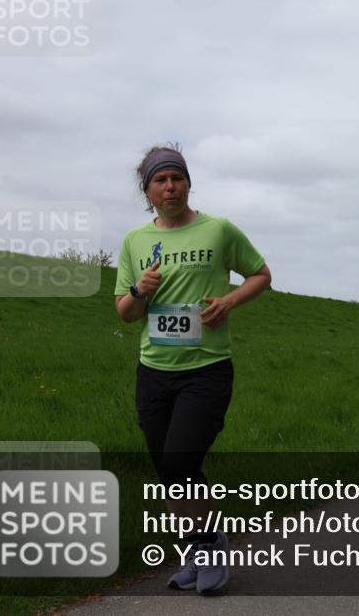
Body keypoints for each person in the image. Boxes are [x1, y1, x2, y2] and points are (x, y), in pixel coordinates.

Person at [115, 144, 272, 595]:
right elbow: (125, 314)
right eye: (160, 181)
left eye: (176, 178)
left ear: (188, 183)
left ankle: (210, 548)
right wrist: (139, 290)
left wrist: (228, 301)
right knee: (169, 472)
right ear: (148, 191)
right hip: (154, 370)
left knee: (181, 461)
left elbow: (261, 274)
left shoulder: (218, 229)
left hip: (206, 369)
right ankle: (197, 548)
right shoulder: (134, 242)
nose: (170, 187)